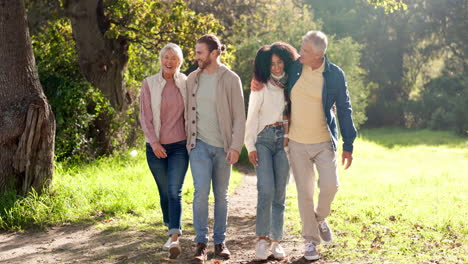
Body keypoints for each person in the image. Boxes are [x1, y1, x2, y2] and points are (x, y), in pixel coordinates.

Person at [251, 31, 357, 260]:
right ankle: (310, 242)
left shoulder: (334, 75)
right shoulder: (295, 68)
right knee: (305, 194)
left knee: (331, 186)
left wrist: (349, 143)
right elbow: (274, 75)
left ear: (319, 54)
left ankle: (319, 218)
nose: (300, 53)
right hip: (297, 143)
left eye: (306, 50)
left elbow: (345, 109)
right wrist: (258, 80)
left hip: (323, 142)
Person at [186, 34, 246, 263]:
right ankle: (200, 243)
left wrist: (234, 146)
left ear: (214, 53)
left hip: (223, 147)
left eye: (200, 52)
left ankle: (220, 242)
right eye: (196, 52)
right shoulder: (192, 79)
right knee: (201, 191)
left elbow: (239, 116)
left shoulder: (231, 79)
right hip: (198, 145)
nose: (196, 56)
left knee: (221, 195)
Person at [244, 43, 298, 260]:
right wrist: (249, 145)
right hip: (264, 140)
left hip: (285, 141)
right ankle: (261, 240)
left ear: (286, 61)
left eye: (279, 62)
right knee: (265, 190)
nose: (276, 67)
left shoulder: (292, 85)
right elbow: (252, 115)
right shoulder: (261, 86)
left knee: (280, 193)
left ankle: (276, 242)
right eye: (272, 64)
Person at [140, 43, 189, 259]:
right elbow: (145, 117)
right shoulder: (149, 83)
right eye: (166, 57)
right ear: (161, 59)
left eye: (175, 59)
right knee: (163, 192)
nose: (170, 62)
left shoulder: (186, 83)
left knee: (174, 191)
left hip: (180, 145)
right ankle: (170, 227)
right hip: (155, 147)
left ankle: (175, 237)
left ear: (180, 62)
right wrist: (154, 143)